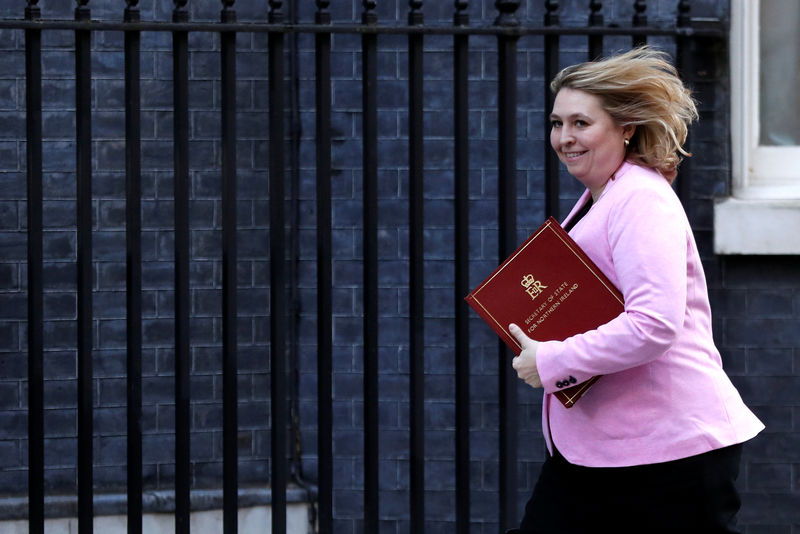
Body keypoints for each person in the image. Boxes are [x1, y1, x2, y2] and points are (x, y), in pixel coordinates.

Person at [505, 46, 764, 534]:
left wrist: (552, 360)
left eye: (581, 123)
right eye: (557, 123)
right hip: (613, 450)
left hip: (667, 453)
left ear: (625, 128)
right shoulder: (606, 197)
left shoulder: (640, 200)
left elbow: (654, 324)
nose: (564, 137)